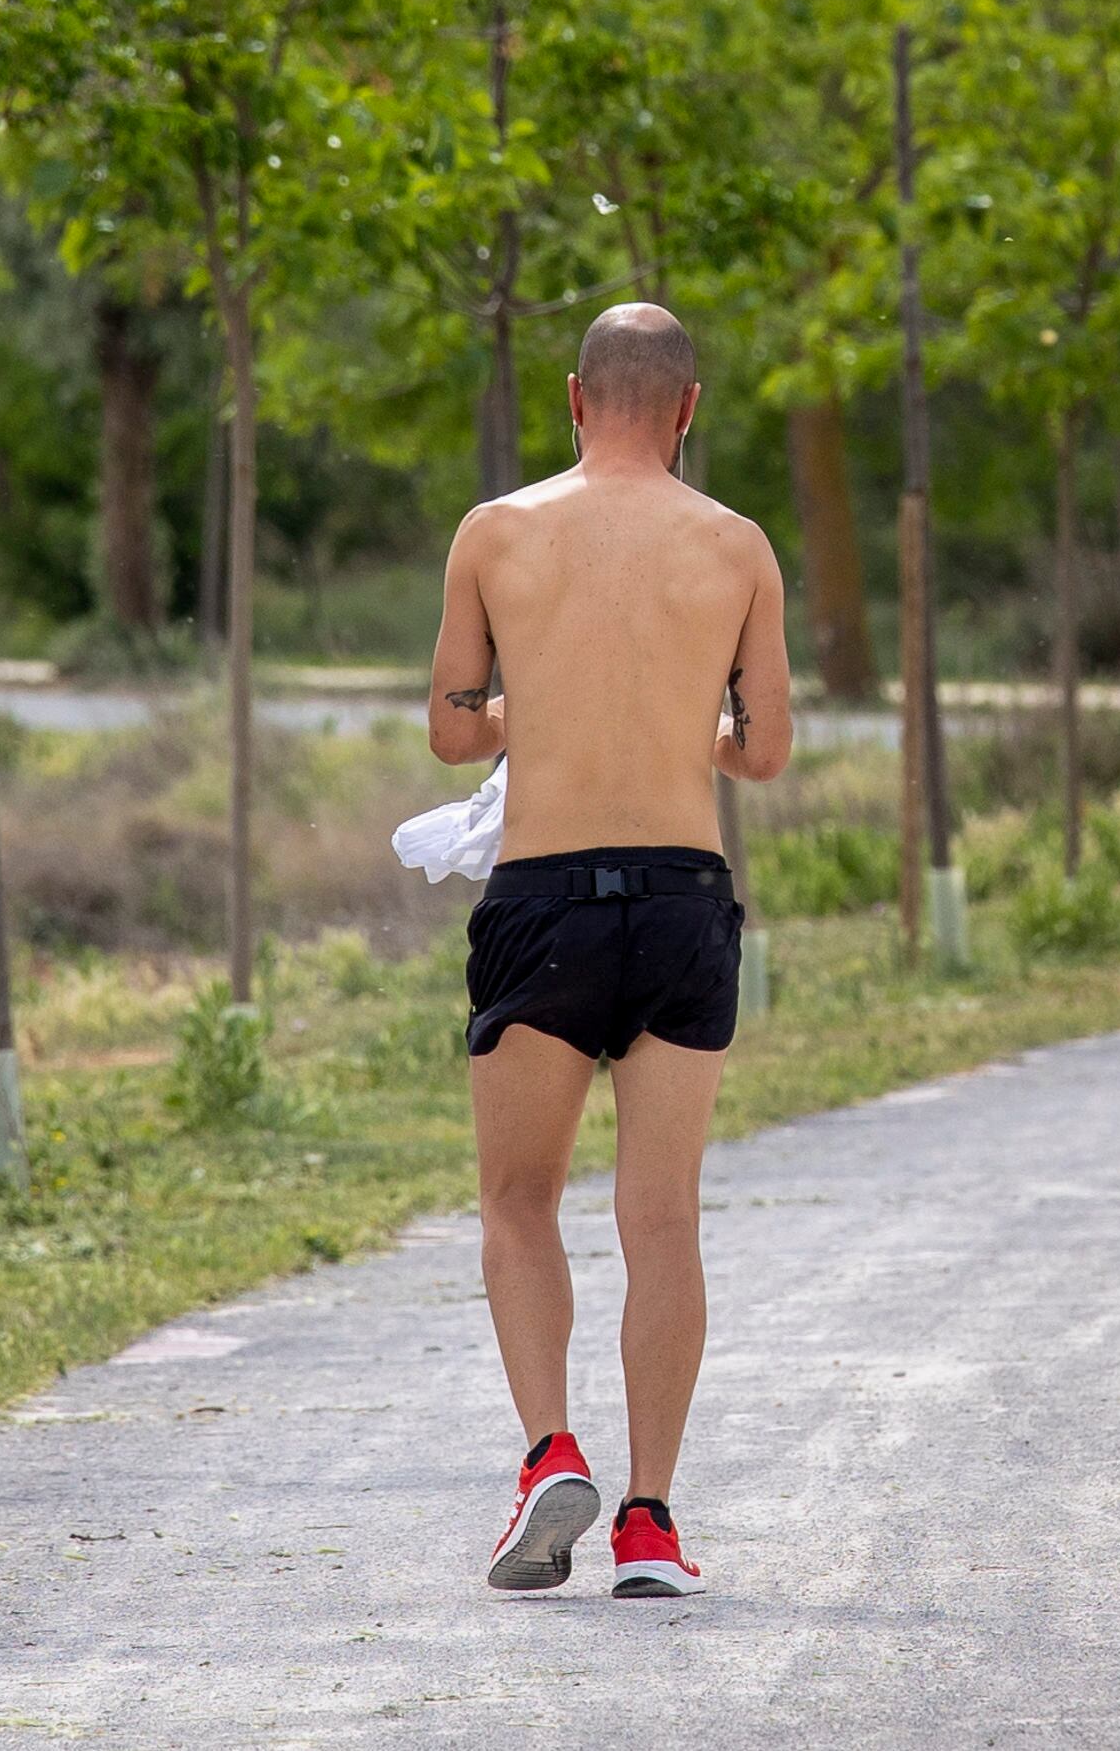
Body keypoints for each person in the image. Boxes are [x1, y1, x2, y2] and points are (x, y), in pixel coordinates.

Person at [425, 302, 792, 1599]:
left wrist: (551, 701)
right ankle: (647, 1523)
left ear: (573, 399)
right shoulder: (738, 548)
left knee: (520, 1200)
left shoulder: (496, 532)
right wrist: (665, 717)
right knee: (661, 1219)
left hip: (541, 902)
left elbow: (455, 732)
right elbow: (761, 751)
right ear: (688, 410)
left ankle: (546, 1458)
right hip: (686, 902)